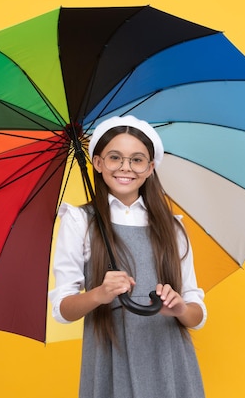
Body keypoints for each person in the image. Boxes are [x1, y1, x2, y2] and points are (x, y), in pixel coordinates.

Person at [49, 115, 206, 398]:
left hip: (169, 358)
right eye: (114, 158)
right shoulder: (79, 221)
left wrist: (180, 308)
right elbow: (62, 309)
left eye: (137, 159)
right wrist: (99, 293)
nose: (125, 168)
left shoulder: (173, 227)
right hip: (110, 356)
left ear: (150, 167)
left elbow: (196, 312)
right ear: (97, 163)